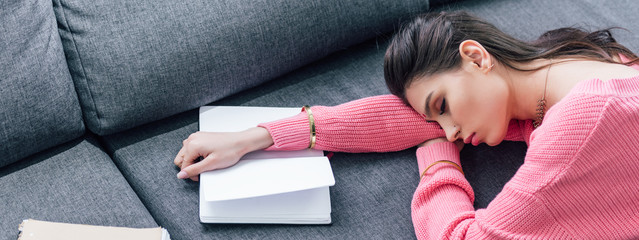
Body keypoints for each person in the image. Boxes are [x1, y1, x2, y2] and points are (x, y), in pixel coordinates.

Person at [174, 11, 639, 239]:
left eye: (442, 106)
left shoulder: (581, 123)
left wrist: (437, 163)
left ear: (475, 56)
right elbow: (405, 117)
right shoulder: (584, 64)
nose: (450, 129)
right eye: (437, 118)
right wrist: (260, 137)